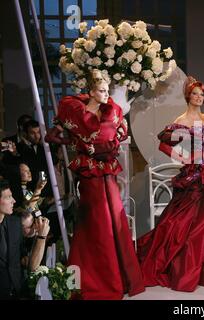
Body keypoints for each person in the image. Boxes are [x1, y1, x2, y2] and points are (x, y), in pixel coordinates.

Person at [45, 69, 144, 300]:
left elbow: (118, 137)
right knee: (97, 223)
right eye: (101, 90)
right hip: (89, 173)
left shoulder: (112, 111)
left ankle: (121, 277)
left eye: (107, 90)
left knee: (115, 218)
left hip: (107, 172)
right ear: (90, 91)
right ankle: (96, 278)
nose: (106, 94)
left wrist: (104, 148)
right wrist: (73, 141)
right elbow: (52, 136)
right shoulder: (74, 109)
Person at [137, 76, 204, 292]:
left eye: (202, 94)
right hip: (194, 174)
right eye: (195, 94)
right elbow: (163, 143)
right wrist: (183, 158)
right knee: (189, 222)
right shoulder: (181, 120)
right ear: (188, 97)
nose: (199, 98)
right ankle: (189, 265)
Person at [0, 179, 48, 299]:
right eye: (9, 197)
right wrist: (38, 190)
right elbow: (29, 207)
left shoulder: (14, 224)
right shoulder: (25, 192)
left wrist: (40, 238)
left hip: (19, 291)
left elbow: (25, 261)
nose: (13, 200)